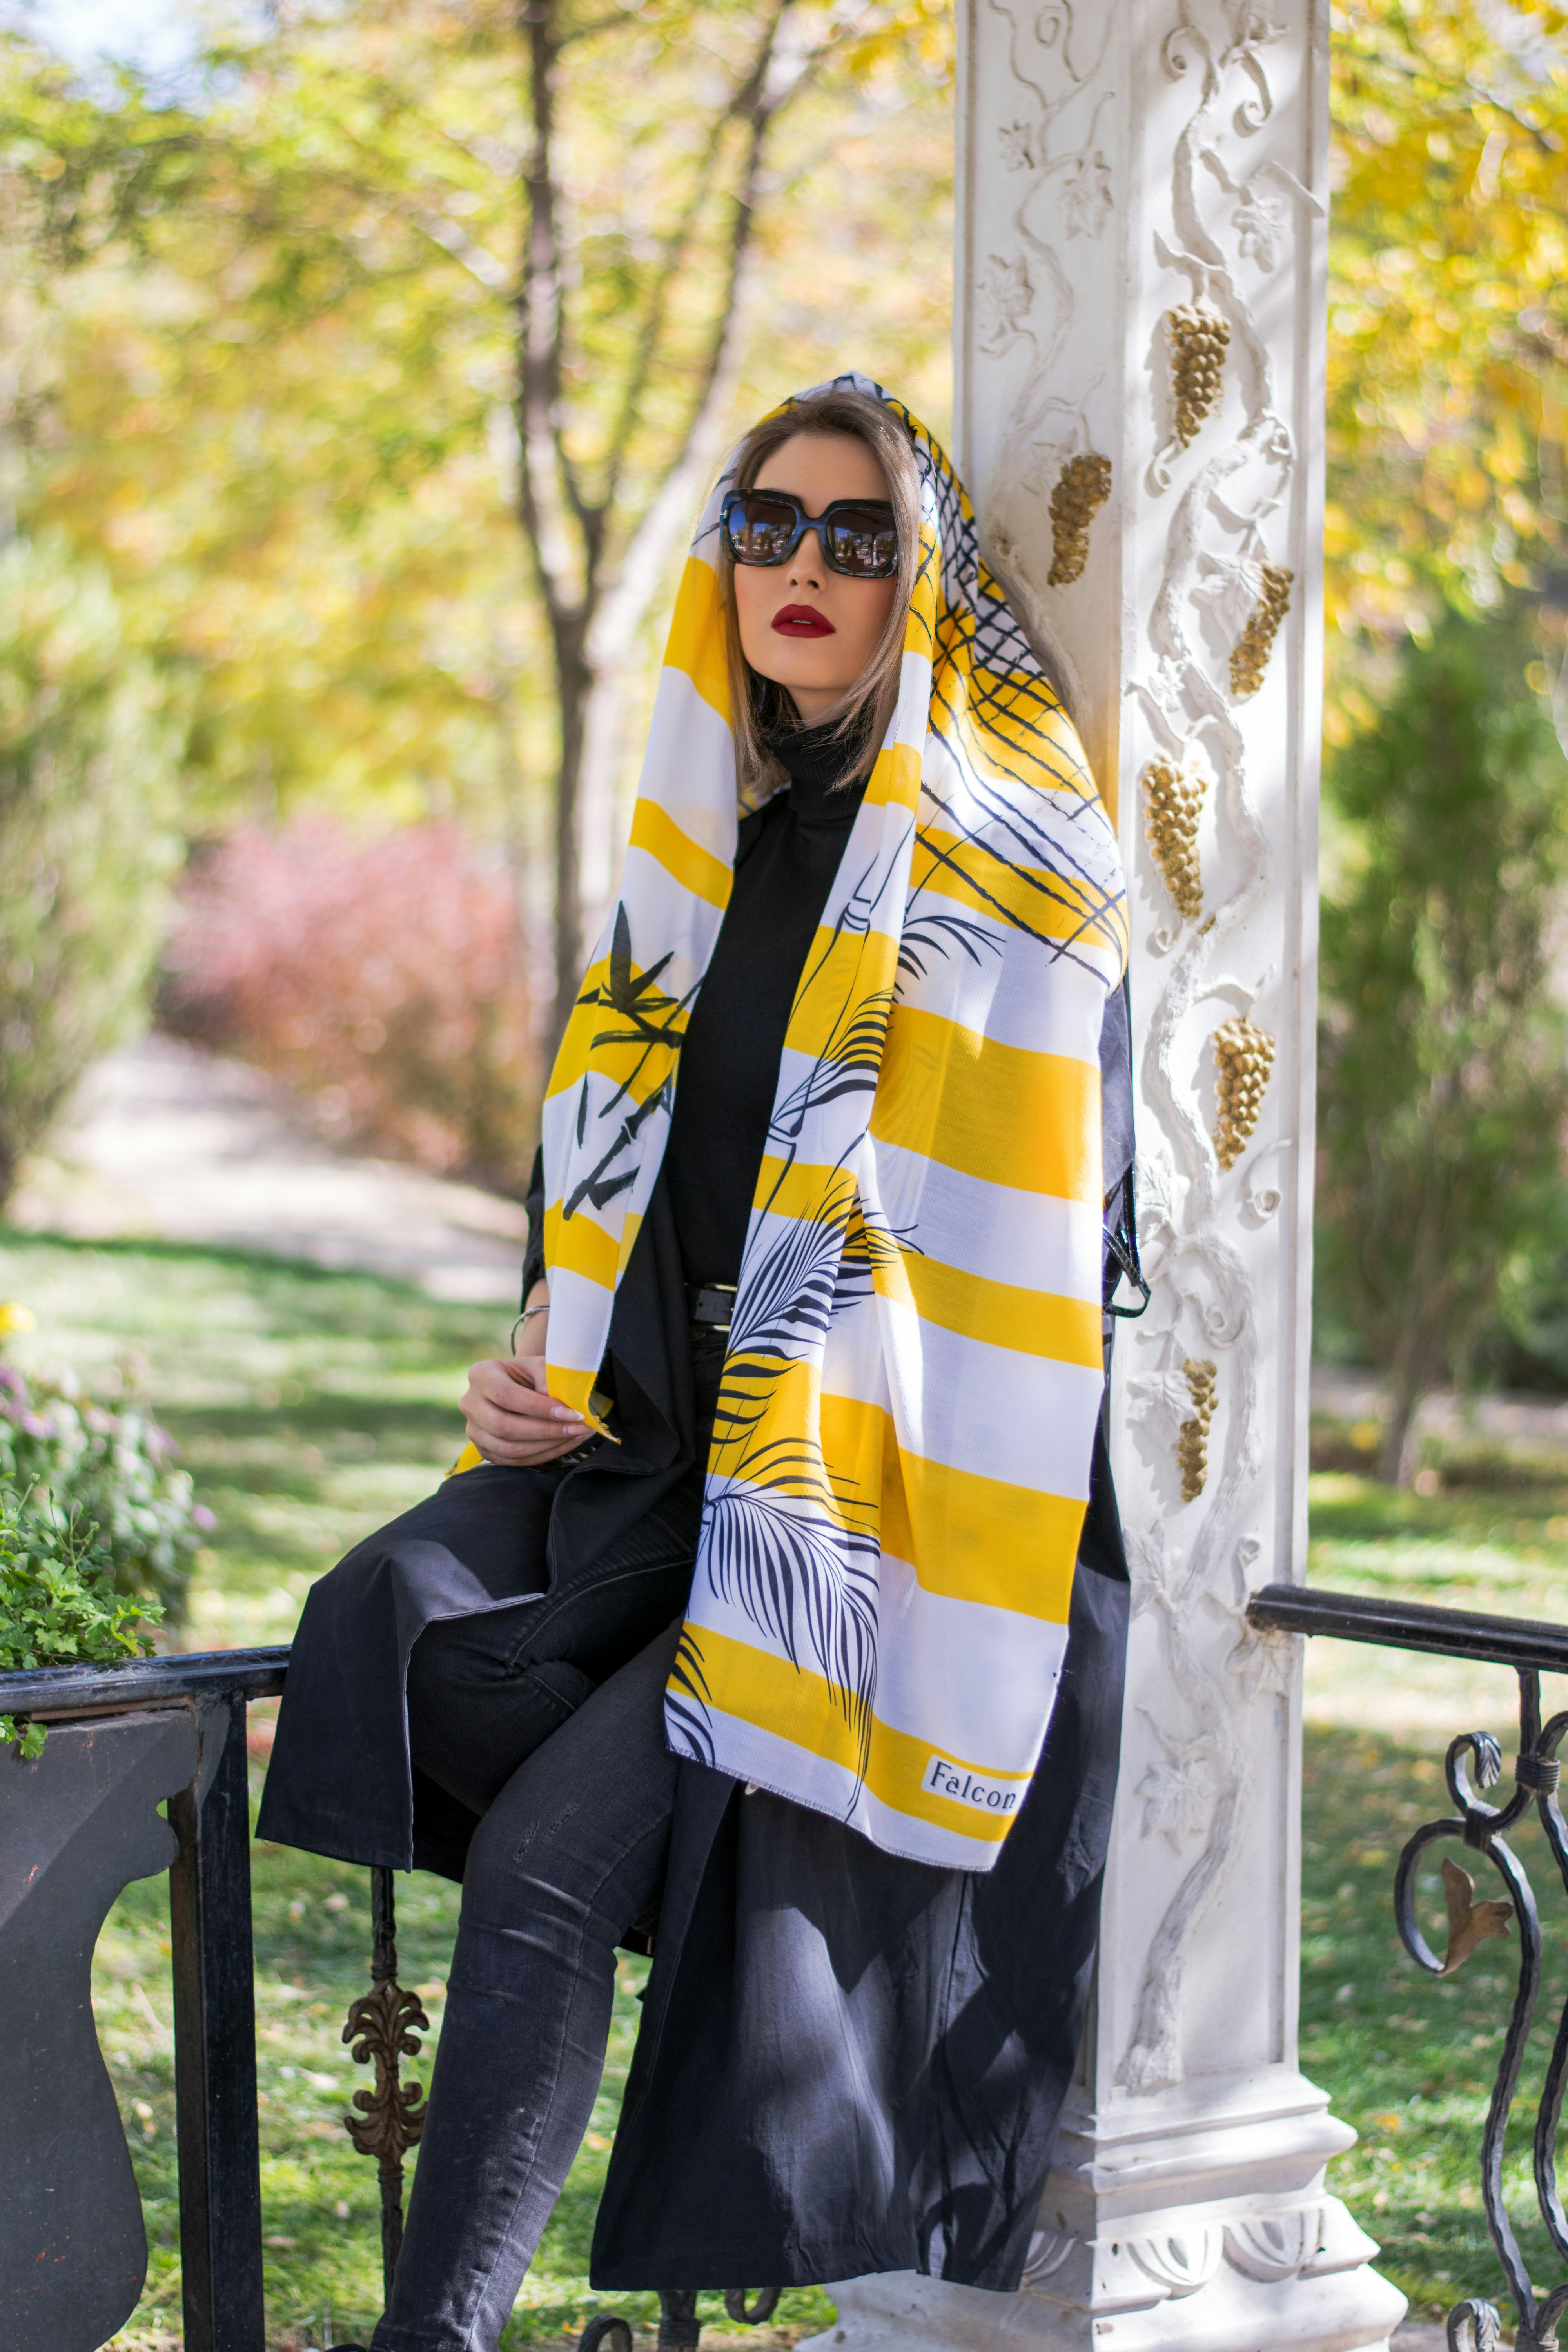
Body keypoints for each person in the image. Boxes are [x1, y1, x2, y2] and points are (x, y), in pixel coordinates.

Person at [259, 374, 1136, 2352]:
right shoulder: (707, 860)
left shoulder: (997, 886)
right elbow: (645, 1191)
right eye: (768, 526)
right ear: (718, 563)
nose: (803, 567)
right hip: (670, 1474)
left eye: (857, 534)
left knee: (556, 1863)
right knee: (409, 1636)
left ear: (924, 583)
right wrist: (536, 1355)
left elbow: (1052, 1258)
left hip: (876, 1510)